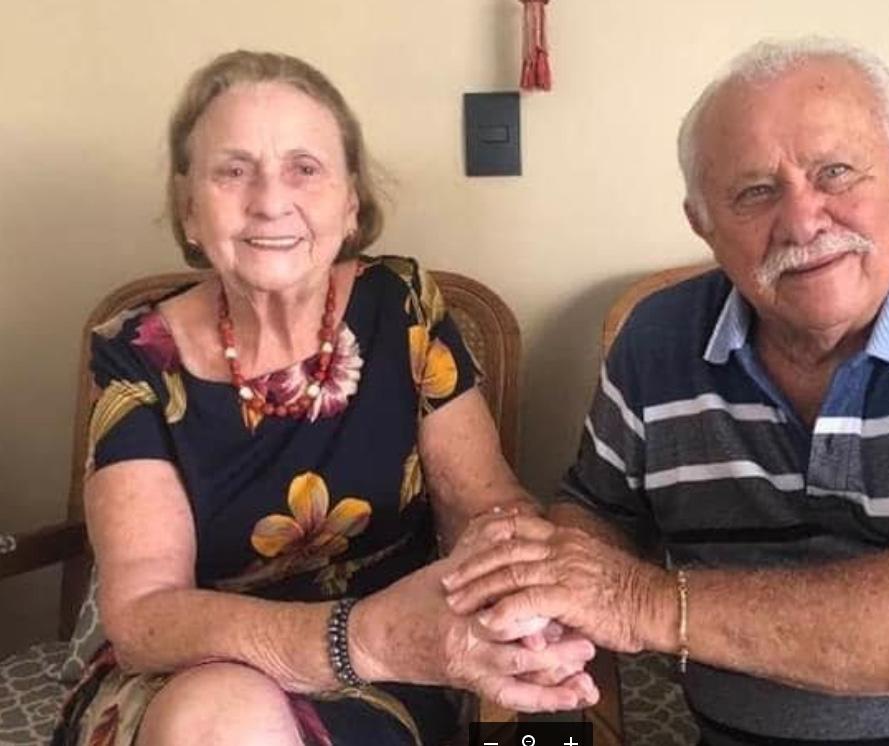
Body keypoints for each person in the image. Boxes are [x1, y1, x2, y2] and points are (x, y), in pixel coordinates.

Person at [441, 38, 889, 744]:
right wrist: (547, 616)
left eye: (836, 173)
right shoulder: (656, 342)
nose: (801, 220)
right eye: (755, 192)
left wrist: (645, 604)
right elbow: (595, 516)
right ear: (702, 223)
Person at [53, 50, 597, 746]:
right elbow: (144, 616)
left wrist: (521, 599)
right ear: (189, 209)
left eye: (304, 169)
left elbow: (482, 501)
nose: (269, 200)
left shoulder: (401, 307)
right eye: (233, 171)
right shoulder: (135, 356)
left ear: (350, 204)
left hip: (397, 665)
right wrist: (356, 637)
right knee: (220, 716)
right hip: (189, 671)